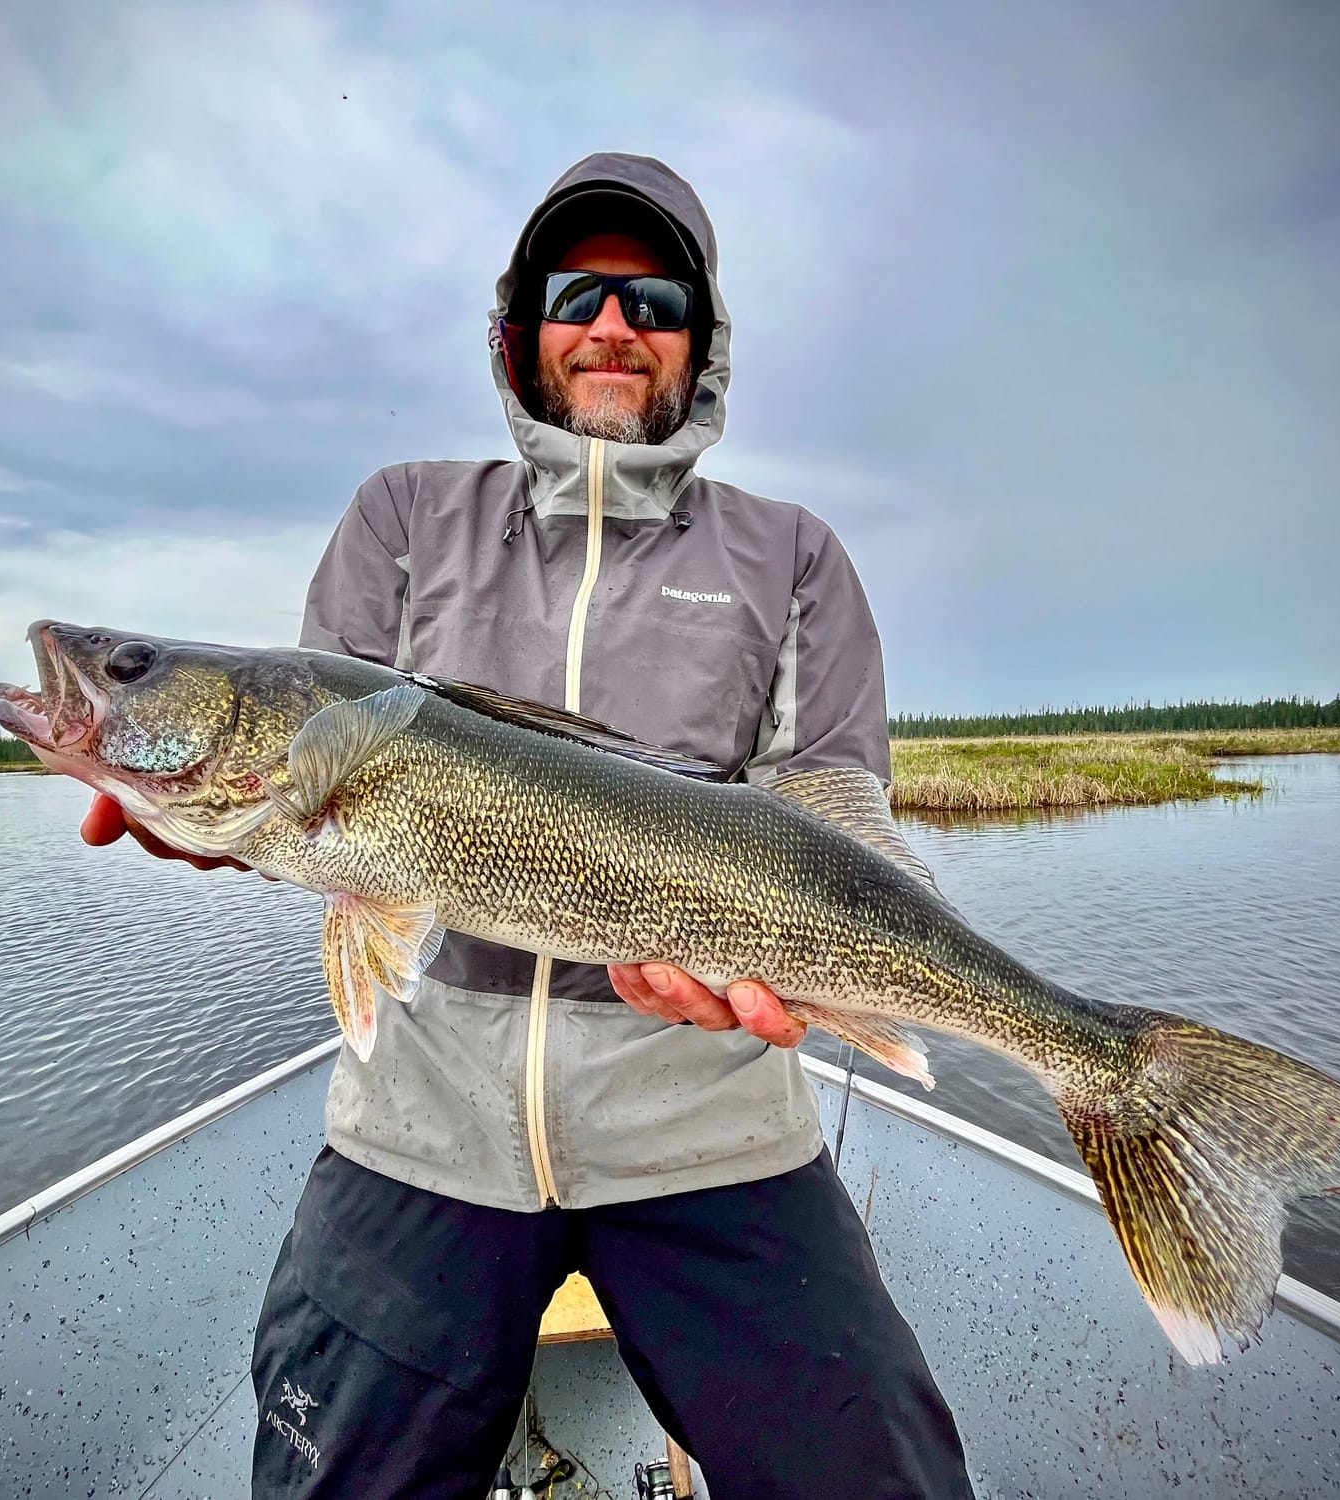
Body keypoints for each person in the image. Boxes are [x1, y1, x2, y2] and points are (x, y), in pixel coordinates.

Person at [81, 153, 972, 1498]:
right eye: (578, 291)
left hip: (714, 1129)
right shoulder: (401, 521)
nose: (615, 323)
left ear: (701, 341)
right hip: (423, 1125)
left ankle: (1109, 1074)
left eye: (654, 299)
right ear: (522, 330)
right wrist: (209, 820)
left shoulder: (793, 560)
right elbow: (333, 842)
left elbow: (832, 821)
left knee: (880, 1475)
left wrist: (799, 980)